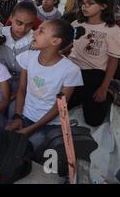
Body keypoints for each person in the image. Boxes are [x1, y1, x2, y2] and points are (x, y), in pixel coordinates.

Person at [5, 20, 84, 150]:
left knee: (30, 148)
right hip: (24, 115)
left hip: (48, 123)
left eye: (41, 31)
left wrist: (30, 129)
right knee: (7, 141)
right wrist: (18, 116)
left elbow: (59, 108)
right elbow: (22, 89)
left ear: (55, 41)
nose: (34, 33)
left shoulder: (70, 70)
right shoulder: (28, 57)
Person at [68, 0, 120, 126]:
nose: (84, 6)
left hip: (94, 74)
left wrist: (103, 88)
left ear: (103, 6)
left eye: (90, 3)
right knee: (61, 105)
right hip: (71, 71)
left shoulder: (115, 31)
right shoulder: (76, 24)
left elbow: (113, 61)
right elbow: (68, 48)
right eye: (82, 2)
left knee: (94, 120)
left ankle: (111, 88)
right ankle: (85, 93)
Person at [0, 1, 37, 94]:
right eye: (19, 23)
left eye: (29, 25)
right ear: (11, 17)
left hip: (23, 85)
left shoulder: (35, 40)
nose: (23, 28)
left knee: (13, 108)